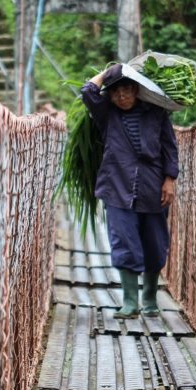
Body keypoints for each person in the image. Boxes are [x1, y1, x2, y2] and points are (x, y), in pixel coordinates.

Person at [81, 64, 178, 318]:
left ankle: (149, 299)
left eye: (126, 90)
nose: (121, 97)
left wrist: (169, 179)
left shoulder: (156, 113)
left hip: (153, 187)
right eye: (115, 93)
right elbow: (88, 92)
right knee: (124, 241)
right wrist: (111, 71)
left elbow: (169, 147)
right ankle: (130, 302)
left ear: (136, 90)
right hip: (117, 186)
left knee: (155, 243)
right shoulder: (107, 114)